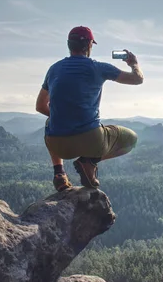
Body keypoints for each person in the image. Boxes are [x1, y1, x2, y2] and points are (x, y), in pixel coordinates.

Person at [35, 26, 144, 191]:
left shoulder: (54, 69)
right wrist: (134, 63)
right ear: (89, 45)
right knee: (132, 139)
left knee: (50, 122)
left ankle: (59, 174)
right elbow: (137, 79)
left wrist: (61, 116)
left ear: (68, 45)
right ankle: (89, 161)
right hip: (92, 141)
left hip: (58, 145)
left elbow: (40, 106)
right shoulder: (98, 67)